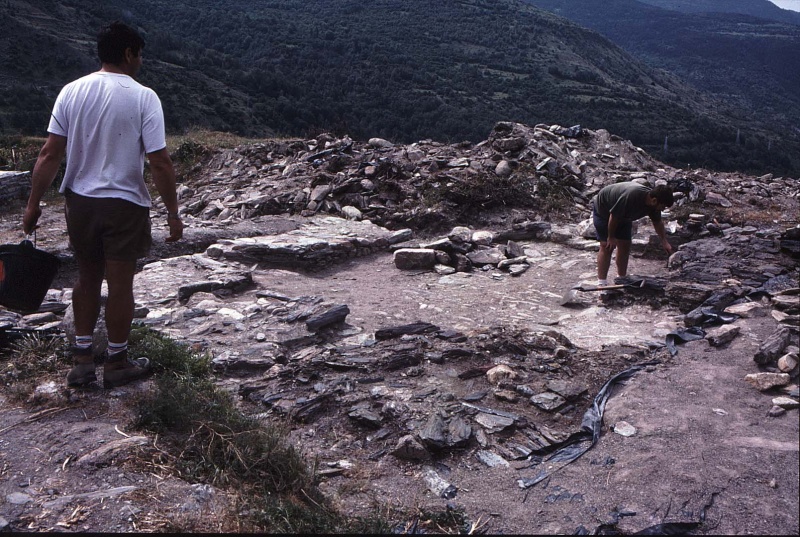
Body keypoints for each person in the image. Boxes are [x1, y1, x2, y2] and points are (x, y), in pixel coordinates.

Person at [22, 21, 183, 388]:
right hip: (124, 203)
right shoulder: (144, 97)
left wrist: (32, 205)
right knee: (121, 283)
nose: (140, 61)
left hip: (80, 202)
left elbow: (49, 153)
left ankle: (81, 361)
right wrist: (173, 213)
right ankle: (117, 361)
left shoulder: (71, 92)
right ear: (129, 53)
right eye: (139, 54)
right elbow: (159, 162)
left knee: (87, 277)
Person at [592, 181, 674, 287]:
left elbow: (657, 222)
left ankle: (621, 278)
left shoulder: (654, 206)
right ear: (654, 200)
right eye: (663, 207)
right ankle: (602, 283)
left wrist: (664, 241)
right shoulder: (632, 196)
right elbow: (614, 216)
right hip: (604, 211)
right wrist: (611, 237)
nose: (663, 209)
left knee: (625, 244)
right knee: (606, 246)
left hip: (625, 216)